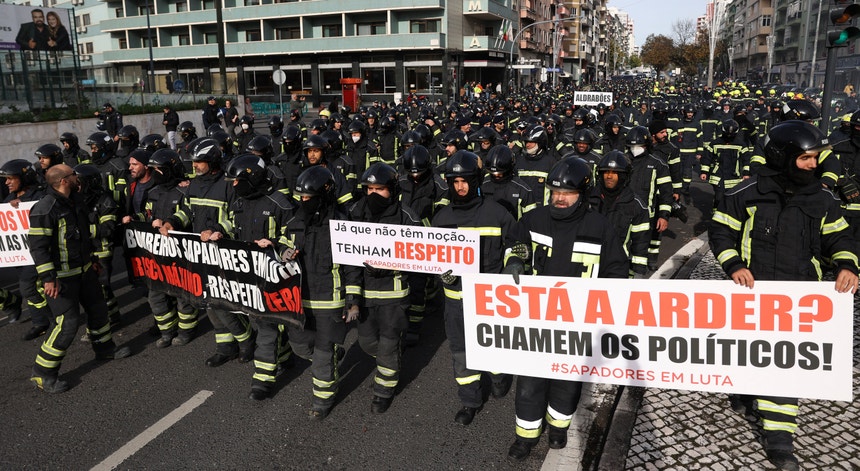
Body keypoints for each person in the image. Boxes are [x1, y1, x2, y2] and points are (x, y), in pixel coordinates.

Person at [709, 120, 859, 471]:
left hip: (798, 298)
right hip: (751, 294)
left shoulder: (823, 199)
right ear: (784, 157)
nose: (813, 165)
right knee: (749, 350)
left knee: (783, 361)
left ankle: (780, 438)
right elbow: (720, 232)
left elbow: (840, 239)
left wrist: (846, 266)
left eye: (815, 159)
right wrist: (733, 266)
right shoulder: (746, 193)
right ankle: (747, 389)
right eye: (806, 159)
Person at [503, 156, 629, 461]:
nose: (559, 198)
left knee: (567, 380)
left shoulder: (600, 227)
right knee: (530, 381)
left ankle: (558, 427)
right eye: (555, 192)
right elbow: (516, 243)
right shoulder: (534, 219)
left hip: (577, 322)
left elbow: (617, 269)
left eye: (567, 193)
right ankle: (526, 435)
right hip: (535, 318)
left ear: (582, 193)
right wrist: (515, 260)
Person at [28, 164, 132, 393]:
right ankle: (43, 373)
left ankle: (105, 349)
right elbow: (38, 247)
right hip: (62, 279)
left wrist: (92, 257)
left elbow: (82, 235)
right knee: (67, 324)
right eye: (73, 174)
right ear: (64, 180)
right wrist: (48, 277)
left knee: (98, 310)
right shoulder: (45, 208)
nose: (77, 177)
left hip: (85, 270)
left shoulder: (76, 200)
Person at [432, 150, 516, 426]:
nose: (460, 187)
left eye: (465, 180)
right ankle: (469, 401)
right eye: (454, 181)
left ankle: (500, 377)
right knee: (461, 353)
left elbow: (516, 247)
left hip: (491, 300)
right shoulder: (441, 219)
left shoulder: (498, 214)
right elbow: (430, 259)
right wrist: (438, 273)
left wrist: (514, 264)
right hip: (456, 302)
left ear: (477, 180)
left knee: (494, 350)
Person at [159, 138, 257, 367]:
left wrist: (217, 230)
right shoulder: (193, 184)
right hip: (200, 253)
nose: (195, 166)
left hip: (223, 252)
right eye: (194, 162)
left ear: (212, 161)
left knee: (222, 303)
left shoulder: (227, 184)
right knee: (208, 303)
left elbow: (237, 217)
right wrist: (172, 221)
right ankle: (225, 346)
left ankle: (246, 340)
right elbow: (186, 210)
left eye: (200, 162)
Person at [345, 163, 424, 413]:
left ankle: (384, 389)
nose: (373, 194)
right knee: (368, 343)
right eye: (369, 189)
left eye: (380, 189)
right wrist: (352, 296)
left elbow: (421, 259)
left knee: (388, 345)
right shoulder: (355, 212)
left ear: (393, 190)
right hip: (365, 295)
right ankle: (391, 358)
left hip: (394, 296)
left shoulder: (408, 217)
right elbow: (348, 257)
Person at [224, 154, 296, 400]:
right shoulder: (238, 203)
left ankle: (262, 380)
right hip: (247, 276)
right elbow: (230, 228)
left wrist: (275, 244)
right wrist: (214, 232)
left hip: (272, 277)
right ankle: (285, 354)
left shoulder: (281, 204)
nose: (233, 185)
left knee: (265, 325)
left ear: (251, 178)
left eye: (237, 180)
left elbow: (294, 238)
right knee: (258, 320)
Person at [284, 166, 350, 419]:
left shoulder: (343, 223)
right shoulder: (296, 220)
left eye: (308, 198)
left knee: (323, 351)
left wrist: (351, 300)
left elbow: (352, 266)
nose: (303, 202)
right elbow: (283, 240)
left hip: (330, 298)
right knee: (299, 345)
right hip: (300, 298)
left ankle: (323, 399)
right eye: (300, 198)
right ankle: (332, 356)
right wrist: (283, 251)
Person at [145, 149, 200, 347]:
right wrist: (150, 221)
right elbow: (147, 216)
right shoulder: (152, 193)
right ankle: (167, 331)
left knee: (183, 295)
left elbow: (191, 219)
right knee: (156, 295)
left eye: (159, 170)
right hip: (157, 254)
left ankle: (186, 330)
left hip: (180, 254)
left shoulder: (186, 191)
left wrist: (170, 223)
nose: (155, 174)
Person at [0, 160, 48, 333]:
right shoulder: (8, 199)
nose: (7, 183)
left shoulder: (41, 196)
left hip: (39, 252)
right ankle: (42, 321)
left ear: (24, 177)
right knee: (34, 288)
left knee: (27, 286)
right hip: (22, 254)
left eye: (10, 178)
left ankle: (46, 319)